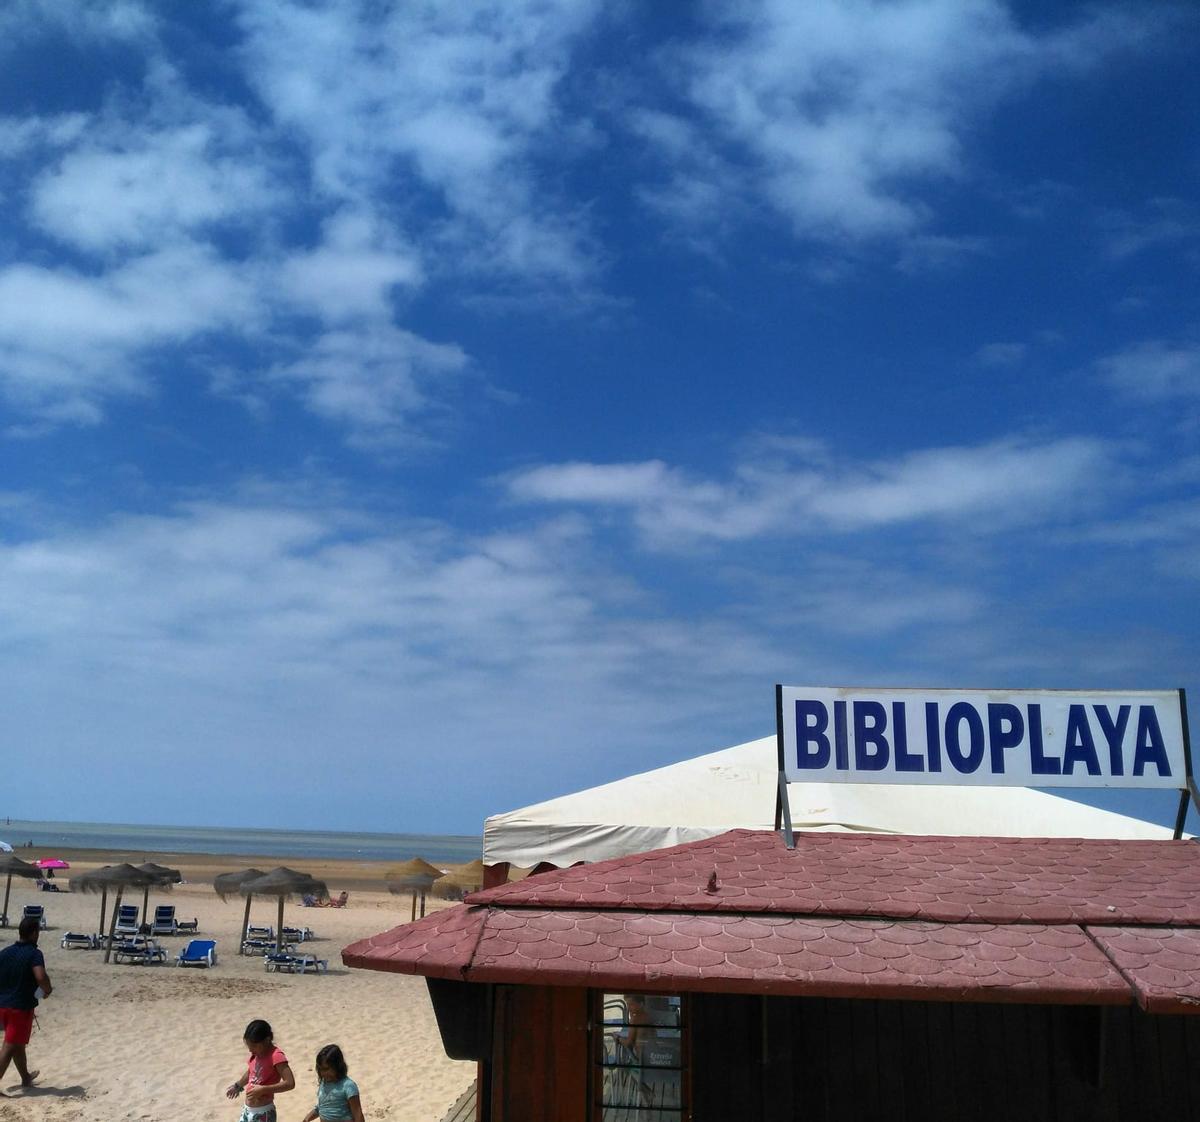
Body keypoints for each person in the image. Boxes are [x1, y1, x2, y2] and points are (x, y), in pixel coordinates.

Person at [0, 915, 52, 1095]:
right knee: (10, 1045)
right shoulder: (34, 953)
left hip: (2, 1005)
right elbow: (41, 977)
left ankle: (25, 1077)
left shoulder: (5, 952)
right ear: (33, 933)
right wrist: (47, 989)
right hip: (19, 1007)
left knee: (18, 1043)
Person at [225, 1019, 295, 1121]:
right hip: (247, 1110)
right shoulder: (257, 1054)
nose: (250, 1050)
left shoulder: (276, 1056)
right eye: (249, 1046)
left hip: (263, 1113)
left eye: (253, 1046)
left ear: (267, 1040)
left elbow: (290, 1083)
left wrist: (263, 1089)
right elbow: (251, 1072)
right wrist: (238, 1085)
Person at [302, 1043, 365, 1122]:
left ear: (337, 1066)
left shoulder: (348, 1086)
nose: (323, 1073)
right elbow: (322, 1107)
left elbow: (358, 1114)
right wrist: (307, 1118)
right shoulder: (323, 1084)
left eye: (326, 1069)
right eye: (320, 1069)